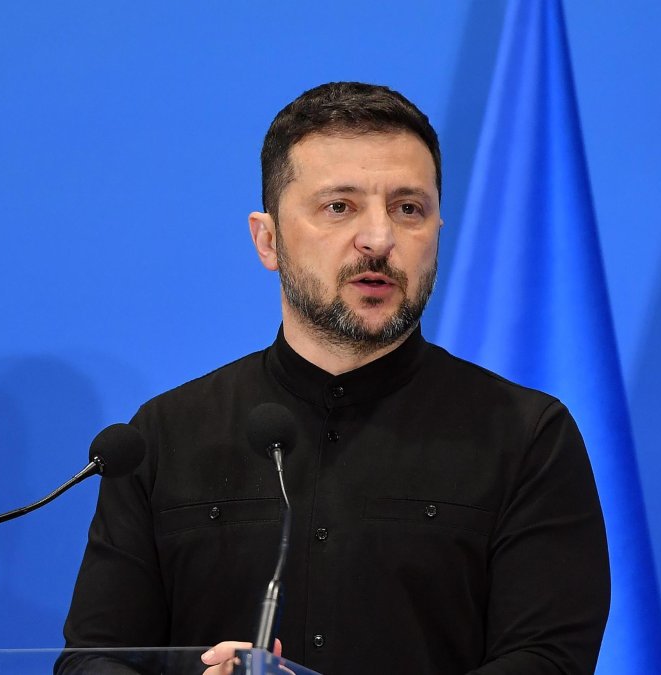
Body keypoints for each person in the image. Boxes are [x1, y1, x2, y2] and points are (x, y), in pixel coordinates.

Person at [59, 82, 610, 675]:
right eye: (339, 207)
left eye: (408, 208)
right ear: (267, 240)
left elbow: (548, 662)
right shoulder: (164, 436)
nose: (379, 239)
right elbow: (94, 659)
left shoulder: (525, 436)